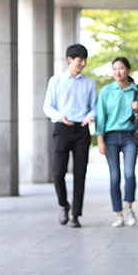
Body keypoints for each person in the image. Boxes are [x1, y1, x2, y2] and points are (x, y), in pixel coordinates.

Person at [43, 44, 97, 228]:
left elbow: (95, 106)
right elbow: (48, 106)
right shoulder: (56, 81)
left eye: (84, 60)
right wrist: (60, 116)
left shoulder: (90, 83)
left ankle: (75, 214)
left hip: (81, 130)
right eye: (79, 60)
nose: (82, 63)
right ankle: (64, 205)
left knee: (80, 174)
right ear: (69, 60)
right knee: (57, 173)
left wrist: (91, 116)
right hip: (62, 129)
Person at [95, 57, 138, 227]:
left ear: (128, 70)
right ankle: (118, 214)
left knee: (129, 174)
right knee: (114, 177)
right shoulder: (106, 91)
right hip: (110, 137)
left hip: (130, 137)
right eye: (114, 69)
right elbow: (101, 117)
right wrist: (100, 140)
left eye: (120, 68)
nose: (117, 72)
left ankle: (128, 208)